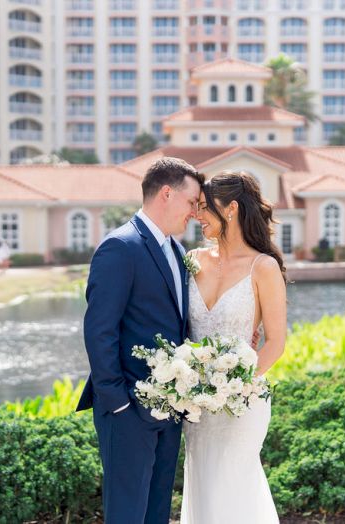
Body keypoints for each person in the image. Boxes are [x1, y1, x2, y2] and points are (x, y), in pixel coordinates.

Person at [75, 157, 204, 524]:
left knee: (157, 511)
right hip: (128, 410)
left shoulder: (178, 252)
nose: (194, 213)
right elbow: (100, 330)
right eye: (192, 202)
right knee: (127, 514)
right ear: (167, 193)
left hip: (169, 408)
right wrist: (118, 403)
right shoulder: (120, 246)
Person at [181, 171, 287, 523]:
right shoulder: (193, 260)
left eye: (204, 208)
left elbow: (275, 342)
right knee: (204, 490)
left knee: (234, 487)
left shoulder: (263, 267)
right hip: (196, 405)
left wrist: (233, 386)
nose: (197, 216)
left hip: (242, 402)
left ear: (231, 209)